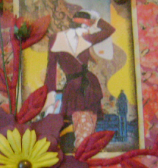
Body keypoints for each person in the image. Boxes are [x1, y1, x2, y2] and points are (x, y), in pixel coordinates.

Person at [44, 10, 115, 148]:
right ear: (79, 25)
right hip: (74, 89)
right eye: (87, 26)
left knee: (89, 127)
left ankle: (85, 152)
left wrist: (95, 20)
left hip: (90, 86)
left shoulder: (86, 38)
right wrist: (50, 99)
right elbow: (51, 71)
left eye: (89, 27)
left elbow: (109, 30)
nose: (88, 30)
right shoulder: (56, 39)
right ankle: (83, 152)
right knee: (82, 129)